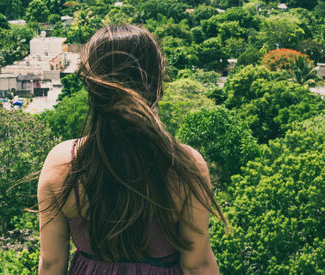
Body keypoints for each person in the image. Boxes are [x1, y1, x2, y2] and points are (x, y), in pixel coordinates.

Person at [37, 24, 227, 275]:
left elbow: (52, 263)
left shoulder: (63, 164)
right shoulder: (183, 167)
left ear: (92, 85)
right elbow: (196, 264)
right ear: (157, 83)